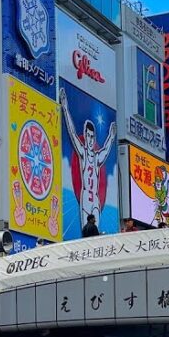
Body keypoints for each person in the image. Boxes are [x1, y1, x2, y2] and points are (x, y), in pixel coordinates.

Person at [61, 87, 116, 236]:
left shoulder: (97, 157)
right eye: (88, 136)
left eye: (92, 137)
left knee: (95, 235)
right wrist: (65, 108)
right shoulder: (83, 153)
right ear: (85, 135)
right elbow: (72, 133)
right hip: (85, 199)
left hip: (95, 200)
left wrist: (111, 136)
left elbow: (107, 148)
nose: (90, 140)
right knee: (86, 235)